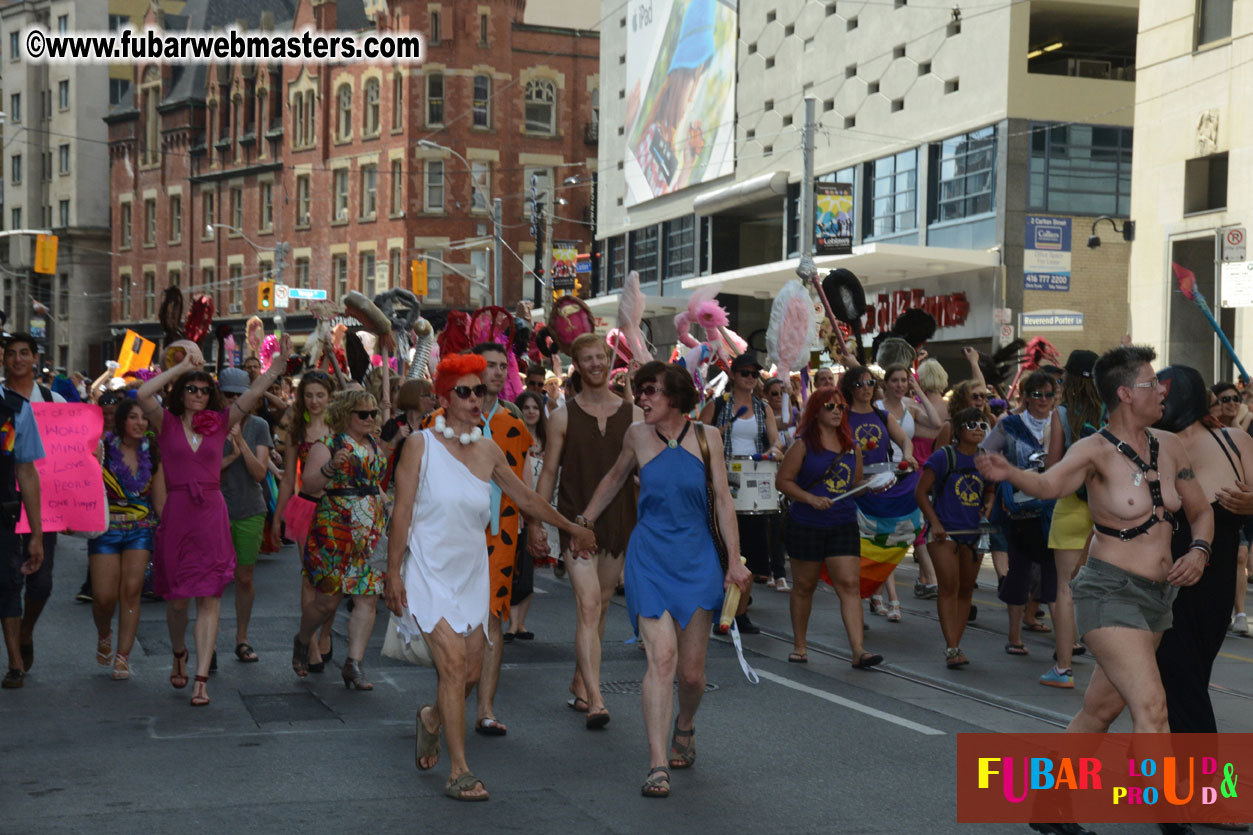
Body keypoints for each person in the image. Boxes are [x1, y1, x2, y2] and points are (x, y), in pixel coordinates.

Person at [385, 353, 596, 802]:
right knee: (454, 665)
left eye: (480, 390)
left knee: (472, 672)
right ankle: (459, 770)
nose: (475, 398)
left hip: (471, 571)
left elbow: (526, 500)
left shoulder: (489, 449)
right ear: (443, 398)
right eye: (464, 391)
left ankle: (432, 718)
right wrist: (392, 573)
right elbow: (401, 513)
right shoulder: (419, 446)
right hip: (427, 569)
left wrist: (571, 527)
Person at [975, 345, 1212, 736]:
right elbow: (1050, 483)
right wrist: (1012, 473)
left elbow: (1200, 512)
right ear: (1125, 393)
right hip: (1109, 593)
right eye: (1152, 383)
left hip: (1157, 596)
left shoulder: (1170, 445)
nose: (1162, 391)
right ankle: (1158, 798)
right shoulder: (1093, 451)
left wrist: (1200, 551)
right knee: (1152, 707)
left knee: (1099, 711)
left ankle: (1049, 793)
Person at [577, 361, 752, 798]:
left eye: (651, 391)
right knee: (662, 660)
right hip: (650, 556)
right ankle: (657, 764)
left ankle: (685, 725)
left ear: (675, 395)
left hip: (696, 559)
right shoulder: (636, 435)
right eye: (640, 391)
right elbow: (615, 479)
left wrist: (734, 560)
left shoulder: (707, 438)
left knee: (692, 676)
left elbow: (725, 503)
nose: (643, 399)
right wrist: (582, 522)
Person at [138, 336, 295, 707]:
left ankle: (201, 677)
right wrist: (181, 367)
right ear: (181, 392)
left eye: (204, 389)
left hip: (211, 513)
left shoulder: (222, 423)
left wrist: (275, 368)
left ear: (212, 395)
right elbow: (144, 394)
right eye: (191, 388)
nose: (197, 393)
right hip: (178, 513)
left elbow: (252, 394)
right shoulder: (167, 423)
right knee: (177, 602)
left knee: (209, 597)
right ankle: (179, 652)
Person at [531, 334, 641, 725]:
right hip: (576, 521)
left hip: (619, 522)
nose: (596, 364)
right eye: (588, 359)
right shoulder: (562, 416)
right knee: (589, 606)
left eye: (602, 357)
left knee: (603, 605)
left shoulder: (634, 415)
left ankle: (580, 679)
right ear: (576, 364)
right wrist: (536, 522)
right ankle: (596, 699)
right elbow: (548, 473)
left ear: (610, 363)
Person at [1154, 366, 1253, 733]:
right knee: (1165, 686)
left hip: (1212, 589)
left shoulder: (1234, 442)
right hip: (1156, 581)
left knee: (1183, 682)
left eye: (1159, 392)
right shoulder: (1148, 446)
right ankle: (1165, 779)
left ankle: (1186, 780)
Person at [776, 386, 883, 667]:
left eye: (841, 407)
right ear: (816, 412)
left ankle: (859, 650)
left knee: (849, 585)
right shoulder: (802, 445)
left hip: (842, 522)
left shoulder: (851, 446)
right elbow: (783, 481)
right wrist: (810, 498)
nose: (837, 412)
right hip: (806, 523)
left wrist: (876, 484)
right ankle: (800, 645)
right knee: (804, 586)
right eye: (830, 407)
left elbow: (855, 484)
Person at [292, 389, 387, 690]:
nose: (370, 419)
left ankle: (353, 664)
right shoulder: (328, 445)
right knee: (327, 601)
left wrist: (392, 506)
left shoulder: (374, 444)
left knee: (367, 596)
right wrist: (331, 467)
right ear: (346, 415)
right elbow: (308, 484)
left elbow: (373, 485)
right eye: (363, 414)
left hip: (370, 528)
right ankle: (303, 639)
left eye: (373, 413)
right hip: (335, 528)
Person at [980, 370, 1060, 657]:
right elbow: (984, 454)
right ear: (1024, 397)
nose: (1042, 400)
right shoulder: (1009, 424)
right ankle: (1014, 638)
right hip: (1020, 513)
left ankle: (1064, 643)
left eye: (1048, 394)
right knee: (1019, 575)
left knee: (1057, 578)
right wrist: (1008, 478)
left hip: (1055, 511)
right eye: (1036, 394)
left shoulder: (1062, 424)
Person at [1, 334, 64, 677]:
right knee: (9, 581)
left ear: (35, 357)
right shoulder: (2, 402)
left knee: (41, 584)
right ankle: (15, 658)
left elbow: (77, 447)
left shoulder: (54, 400)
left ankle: (26, 631)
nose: (18, 360)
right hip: (6, 502)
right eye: (11, 354)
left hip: (46, 504)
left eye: (24, 353)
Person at [700, 353, 786, 603]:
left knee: (749, 549)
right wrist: (714, 435)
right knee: (724, 546)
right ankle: (726, 601)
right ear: (733, 376)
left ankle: (741, 606)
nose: (750, 378)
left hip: (754, 485)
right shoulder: (716, 406)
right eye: (745, 373)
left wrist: (773, 453)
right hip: (722, 482)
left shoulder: (763, 407)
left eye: (754, 374)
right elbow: (696, 439)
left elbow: (776, 443)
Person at [90, 400, 165, 680]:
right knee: (103, 597)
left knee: (132, 590)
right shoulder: (103, 450)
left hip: (141, 528)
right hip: (106, 529)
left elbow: (161, 501)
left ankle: (123, 656)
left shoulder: (154, 454)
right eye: (133, 417)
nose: (140, 423)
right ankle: (104, 632)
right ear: (121, 421)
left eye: (144, 418)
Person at [1040, 350, 1101, 688]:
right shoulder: (1111, 412)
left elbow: (1053, 468)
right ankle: (1110, 668)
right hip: (1106, 510)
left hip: (1069, 508)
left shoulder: (1060, 414)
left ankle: (1063, 669)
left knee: (1066, 589)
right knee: (1102, 590)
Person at [914, 407, 991, 668]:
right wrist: (934, 523)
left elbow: (990, 491)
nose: (979, 429)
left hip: (973, 533)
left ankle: (956, 644)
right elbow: (921, 492)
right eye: (972, 425)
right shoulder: (943, 456)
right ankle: (951, 647)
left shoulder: (986, 459)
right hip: (944, 533)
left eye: (982, 424)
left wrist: (988, 505)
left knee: (966, 589)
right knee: (949, 586)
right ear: (958, 430)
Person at [840, 366, 917, 621]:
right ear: (850, 387)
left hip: (882, 485)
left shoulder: (883, 416)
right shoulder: (842, 416)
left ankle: (879, 593)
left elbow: (905, 441)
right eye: (860, 384)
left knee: (884, 541)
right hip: (853, 486)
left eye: (870, 383)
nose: (866, 388)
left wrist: (907, 455)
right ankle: (862, 604)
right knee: (858, 549)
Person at [273, 370, 338, 671]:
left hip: (338, 508)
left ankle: (325, 631)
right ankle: (310, 643)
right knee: (311, 576)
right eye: (309, 395)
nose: (314, 401)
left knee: (333, 580)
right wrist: (277, 519)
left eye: (319, 395)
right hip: (307, 507)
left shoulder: (341, 427)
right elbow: (288, 478)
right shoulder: (297, 430)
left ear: (330, 397)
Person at [217, 368, 273, 664]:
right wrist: (228, 456)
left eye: (240, 395)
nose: (234, 401)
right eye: (228, 395)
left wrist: (240, 444)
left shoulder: (259, 426)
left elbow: (260, 473)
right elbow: (202, 472)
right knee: (211, 578)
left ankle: (242, 638)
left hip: (250, 509)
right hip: (214, 510)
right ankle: (208, 641)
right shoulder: (209, 424)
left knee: (245, 578)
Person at [877, 363, 942, 600]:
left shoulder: (910, 407)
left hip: (908, 474)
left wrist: (919, 391)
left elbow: (936, 422)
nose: (899, 385)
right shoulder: (876, 408)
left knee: (917, 525)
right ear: (885, 383)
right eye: (894, 380)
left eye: (904, 380)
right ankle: (883, 588)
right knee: (886, 529)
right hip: (882, 474)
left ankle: (931, 578)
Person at [0, 388, 45, 689]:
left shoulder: (16, 409)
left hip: (2, 513)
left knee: (7, 584)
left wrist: (37, 535)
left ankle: (15, 661)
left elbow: (26, 471)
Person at [507, 390, 548, 641]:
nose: (532, 411)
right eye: (527, 407)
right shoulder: (512, 442)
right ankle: (511, 624)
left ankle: (519, 623)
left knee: (527, 569)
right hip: (514, 512)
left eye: (536, 407)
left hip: (540, 510)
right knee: (513, 569)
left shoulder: (548, 440)